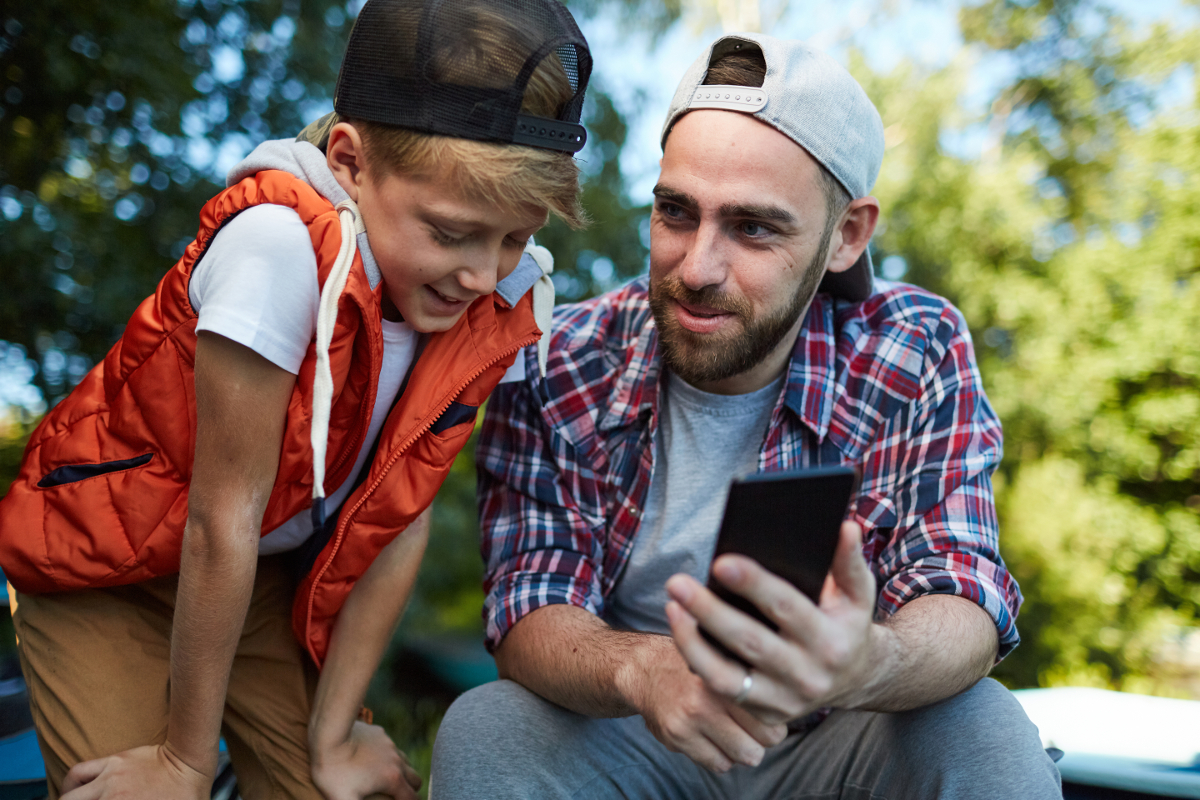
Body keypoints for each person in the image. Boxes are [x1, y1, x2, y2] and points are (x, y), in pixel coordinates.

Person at [431, 33, 1062, 799]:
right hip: (633, 737)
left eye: (754, 227)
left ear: (846, 235)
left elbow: (962, 587)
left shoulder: (915, 345)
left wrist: (870, 660)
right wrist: (645, 668)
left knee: (984, 728)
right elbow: (531, 602)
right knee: (488, 726)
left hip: (837, 737)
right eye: (675, 212)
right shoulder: (556, 355)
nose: (697, 268)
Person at [0, 1, 591, 798]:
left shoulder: (493, 294)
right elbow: (222, 518)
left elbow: (400, 518)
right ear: (349, 162)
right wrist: (184, 761)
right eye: (451, 233)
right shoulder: (276, 248)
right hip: (105, 567)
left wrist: (335, 733)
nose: (484, 275)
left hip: (253, 589)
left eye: (515, 237)